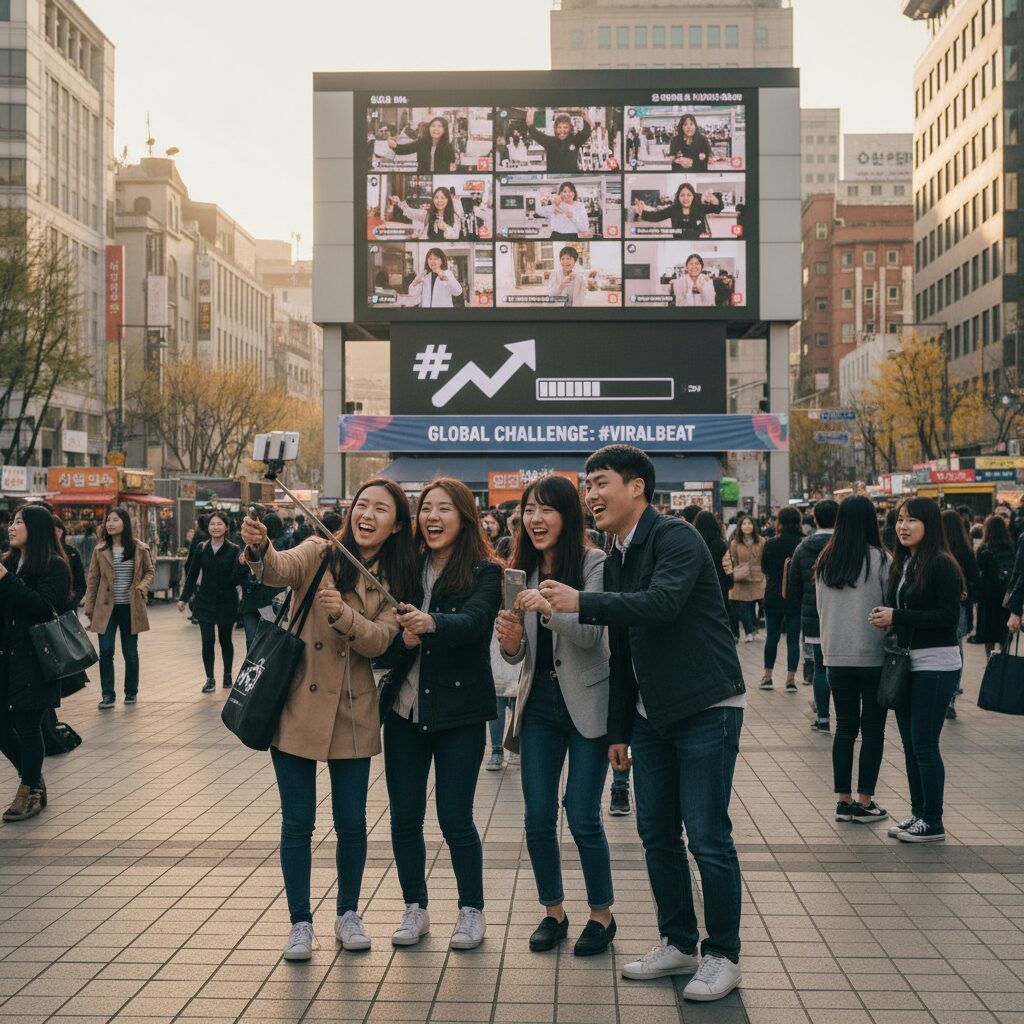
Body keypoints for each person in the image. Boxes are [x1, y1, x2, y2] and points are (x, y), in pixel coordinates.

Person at [541, 445, 745, 1002]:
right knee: (657, 835)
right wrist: (620, 731)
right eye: (587, 483)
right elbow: (625, 647)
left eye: (601, 481)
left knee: (707, 838)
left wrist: (583, 600)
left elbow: (662, 604)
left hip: (705, 705)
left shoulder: (675, 537)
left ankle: (723, 955)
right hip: (652, 716)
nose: (591, 494)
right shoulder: (620, 552)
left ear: (637, 488)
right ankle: (679, 942)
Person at [240, 479, 415, 961]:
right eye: (363, 504)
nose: (368, 514)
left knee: (352, 822)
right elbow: (278, 569)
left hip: (353, 711)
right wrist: (259, 547)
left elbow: (383, 641)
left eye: (381, 508)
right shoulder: (321, 549)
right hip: (296, 703)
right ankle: (300, 921)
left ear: (397, 524)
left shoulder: (397, 577)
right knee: (297, 823)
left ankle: (348, 912)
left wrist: (344, 616)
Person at [377, 478, 501, 951]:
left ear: (464, 516)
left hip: (460, 711)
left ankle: (471, 911)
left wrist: (431, 623)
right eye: (426, 508)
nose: (432, 517)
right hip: (405, 711)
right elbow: (387, 637)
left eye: (444, 508)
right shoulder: (405, 566)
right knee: (404, 818)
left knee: (455, 818)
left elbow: (474, 624)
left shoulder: (486, 571)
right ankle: (415, 907)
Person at [494, 475, 615, 956]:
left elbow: (590, 635)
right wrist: (509, 642)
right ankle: (553, 912)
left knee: (582, 813)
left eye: (546, 510)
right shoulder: (516, 568)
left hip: (586, 700)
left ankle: (601, 916)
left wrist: (546, 607)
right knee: (538, 814)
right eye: (528, 510)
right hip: (538, 703)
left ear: (568, 514)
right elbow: (514, 655)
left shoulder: (593, 563)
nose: (535, 519)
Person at [868, 497, 965, 844]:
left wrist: (898, 616)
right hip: (908, 662)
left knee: (924, 743)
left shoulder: (941, 563)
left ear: (930, 524)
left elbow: (948, 618)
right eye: (899, 520)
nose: (903, 526)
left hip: (936, 665)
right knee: (910, 745)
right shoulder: (905, 562)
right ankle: (919, 812)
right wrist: (890, 618)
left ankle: (933, 820)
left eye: (911, 520)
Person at [815, 496, 890, 824]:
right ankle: (865, 801)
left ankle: (843, 801)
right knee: (873, 729)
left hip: (835, 655)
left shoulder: (826, 561)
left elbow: (820, 609)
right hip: (873, 655)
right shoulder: (882, 560)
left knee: (844, 727)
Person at [0, 505, 74, 821]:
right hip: (5, 659)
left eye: (19, 522)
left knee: (29, 728)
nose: (11, 527)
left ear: (37, 528)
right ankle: (32, 779)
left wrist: (5, 580)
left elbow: (43, 607)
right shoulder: (9, 563)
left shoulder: (53, 566)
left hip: (34, 662)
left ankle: (28, 790)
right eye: (11, 521)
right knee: (2, 729)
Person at [83, 508, 156, 710]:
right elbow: (93, 580)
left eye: (115, 520)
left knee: (130, 652)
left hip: (131, 607)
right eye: (108, 520)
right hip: (106, 608)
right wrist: (89, 608)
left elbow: (150, 572)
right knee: (106, 651)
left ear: (125, 523)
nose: (110, 524)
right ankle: (107, 695)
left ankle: (131, 692)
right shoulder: (100, 550)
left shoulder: (139, 548)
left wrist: (142, 587)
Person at [177, 511, 247, 692]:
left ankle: (227, 675)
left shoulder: (233, 550)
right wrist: (184, 598)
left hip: (226, 600)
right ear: (208, 528)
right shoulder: (202, 548)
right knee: (207, 640)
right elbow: (192, 575)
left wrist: (241, 565)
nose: (215, 527)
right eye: (212, 524)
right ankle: (210, 678)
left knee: (225, 640)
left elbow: (236, 579)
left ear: (226, 528)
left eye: (219, 524)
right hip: (205, 601)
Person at [787, 499, 838, 732]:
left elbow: (793, 587)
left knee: (819, 666)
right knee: (841, 669)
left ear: (814, 518)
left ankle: (823, 717)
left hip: (813, 616)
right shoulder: (845, 545)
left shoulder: (804, 546)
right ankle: (846, 716)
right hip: (842, 619)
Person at [940, 508, 979, 719]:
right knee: (957, 649)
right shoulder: (965, 551)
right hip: (961, 607)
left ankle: (942, 693)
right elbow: (975, 580)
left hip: (939, 608)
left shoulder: (936, 550)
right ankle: (951, 696)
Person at [760, 507, 804, 690]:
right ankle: (790, 679)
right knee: (793, 640)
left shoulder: (770, 544)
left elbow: (765, 568)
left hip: (773, 595)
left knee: (772, 637)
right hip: (795, 597)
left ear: (780, 522)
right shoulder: (802, 544)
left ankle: (768, 677)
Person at [974, 514, 1015, 656]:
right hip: (1006, 598)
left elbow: (978, 571)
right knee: (1004, 634)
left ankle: (991, 663)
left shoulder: (983, 549)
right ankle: (1003, 662)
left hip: (988, 598)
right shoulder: (1010, 547)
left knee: (989, 635)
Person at [633, 183, 722, 240]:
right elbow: (657, 216)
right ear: (678, 197)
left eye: (689, 195)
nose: (685, 198)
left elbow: (717, 209)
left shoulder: (700, 208)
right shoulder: (673, 209)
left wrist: (715, 200)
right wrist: (642, 212)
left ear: (693, 196)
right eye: (682, 195)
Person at [728, 515, 764, 644]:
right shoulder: (735, 543)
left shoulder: (761, 541)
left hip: (758, 577)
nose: (747, 526)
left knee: (758, 604)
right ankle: (749, 632)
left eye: (749, 523)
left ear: (754, 526)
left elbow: (764, 559)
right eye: (744, 524)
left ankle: (755, 627)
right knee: (744, 607)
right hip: (742, 578)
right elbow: (733, 560)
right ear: (740, 526)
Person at [525, 107, 592, 174]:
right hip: (554, 179)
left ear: (570, 128)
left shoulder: (575, 141)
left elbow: (586, 132)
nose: (562, 130)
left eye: (565, 127)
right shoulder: (549, 142)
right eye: (559, 127)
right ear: (555, 128)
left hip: (572, 178)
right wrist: (531, 113)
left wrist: (585, 116)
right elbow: (534, 133)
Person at [390, 186, 462, 241]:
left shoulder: (454, 217)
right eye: (436, 197)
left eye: (443, 198)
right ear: (433, 199)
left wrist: (445, 227)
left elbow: (456, 236)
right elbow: (411, 212)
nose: (439, 201)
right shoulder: (428, 214)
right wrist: (398, 202)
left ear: (448, 200)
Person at [387, 116, 457, 173]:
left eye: (439, 126)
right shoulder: (422, 142)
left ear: (444, 130)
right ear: (429, 128)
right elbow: (406, 149)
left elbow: (452, 165)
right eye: (433, 126)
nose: (436, 129)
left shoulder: (448, 146)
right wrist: (394, 146)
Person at [54, 516, 86, 608]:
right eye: (53, 531)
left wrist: (72, 602)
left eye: (59, 531)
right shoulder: (40, 553)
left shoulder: (72, 552)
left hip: (68, 608)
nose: (56, 534)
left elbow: (80, 584)